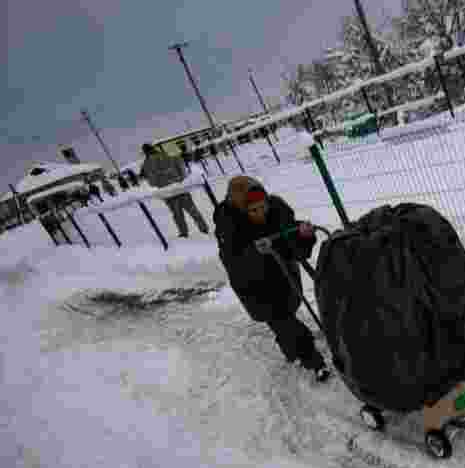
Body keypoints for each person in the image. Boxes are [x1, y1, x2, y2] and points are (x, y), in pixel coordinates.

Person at [213, 176, 331, 384]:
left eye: (263, 207)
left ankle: (290, 351)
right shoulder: (227, 224)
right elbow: (233, 263)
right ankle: (314, 362)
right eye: (253, 210)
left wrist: (304, 236)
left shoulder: (278, 210)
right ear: (241, 209)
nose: (261, 213)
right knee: (285, 322)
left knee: (286, 318)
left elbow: (297, 250)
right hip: (255, 288)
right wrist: (255, 253)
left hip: (284, 277)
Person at [140, 142, 209, 238]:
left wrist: (161, 181)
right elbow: (181, 167)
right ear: (153, 148)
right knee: (192, 209)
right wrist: (180, 179)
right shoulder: (167, 155)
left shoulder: (146, 165)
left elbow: (152, 182)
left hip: (167, 192)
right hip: (179, 187)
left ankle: (183, 233)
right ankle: (203, 228)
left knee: (177, 214)